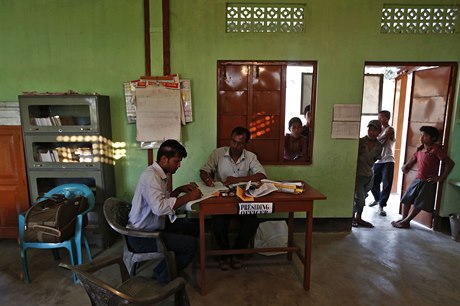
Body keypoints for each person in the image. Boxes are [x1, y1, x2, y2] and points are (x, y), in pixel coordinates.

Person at [126, 139, 202, 283]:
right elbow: (160, 208)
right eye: (176, 161)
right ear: (164, 159)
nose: (179, 165)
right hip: (142, 237)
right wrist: (187, 197)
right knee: (191, 244)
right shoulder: (151, 177)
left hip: (154, 226)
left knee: (193, 227)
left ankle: (162, 270)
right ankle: (163, 280)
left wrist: (179, 190)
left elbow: (164, 201)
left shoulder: (159, 174)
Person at [200, 126, 267, 270]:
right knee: (218, 223)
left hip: (243, 199)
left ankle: (237, 253)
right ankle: (224, 255)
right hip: (223, 200)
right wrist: (208, 180)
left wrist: (238, 180)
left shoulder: (251, 157)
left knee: (252, 221)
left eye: (240, 143)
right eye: (233, 141)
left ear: (245, 144)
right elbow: (204, 170)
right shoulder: (218, 153)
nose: (235, 146)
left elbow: (262, 176)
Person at [391, 126, 455, 229]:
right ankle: (404, 219)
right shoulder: (420, 149)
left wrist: (441, 177)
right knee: (406, 198)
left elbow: (450, 163)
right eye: (421, 135)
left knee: (419, 204)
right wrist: (406, 165)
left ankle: (406, 221)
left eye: (424, 135)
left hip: (427, 181)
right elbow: (414, 158)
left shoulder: (435, 150)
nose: (421, 137)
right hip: (418, 179)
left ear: (433, 138)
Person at [353, 120, 383, 228]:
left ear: (379, 132)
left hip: (369, 175)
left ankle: (358, 217)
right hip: (358, 174)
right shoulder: (360, 142)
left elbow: (375, 159)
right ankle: (351, 217)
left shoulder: (379, 146)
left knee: (363, 196)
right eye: (370, 129)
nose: (371, 132)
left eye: (375, 130)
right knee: (359, 199)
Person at [369, 110, 395, 217]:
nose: (380, 119)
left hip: (388, 160)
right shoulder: (378, 130)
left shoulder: (390, 129)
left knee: (386, 183)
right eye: (379, 117)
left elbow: (380, 142)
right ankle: (377, 199)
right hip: (378, 160)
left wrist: (375, 138)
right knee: (373, 182)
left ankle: (382, 205)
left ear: (388, 118)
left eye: (382, 117)